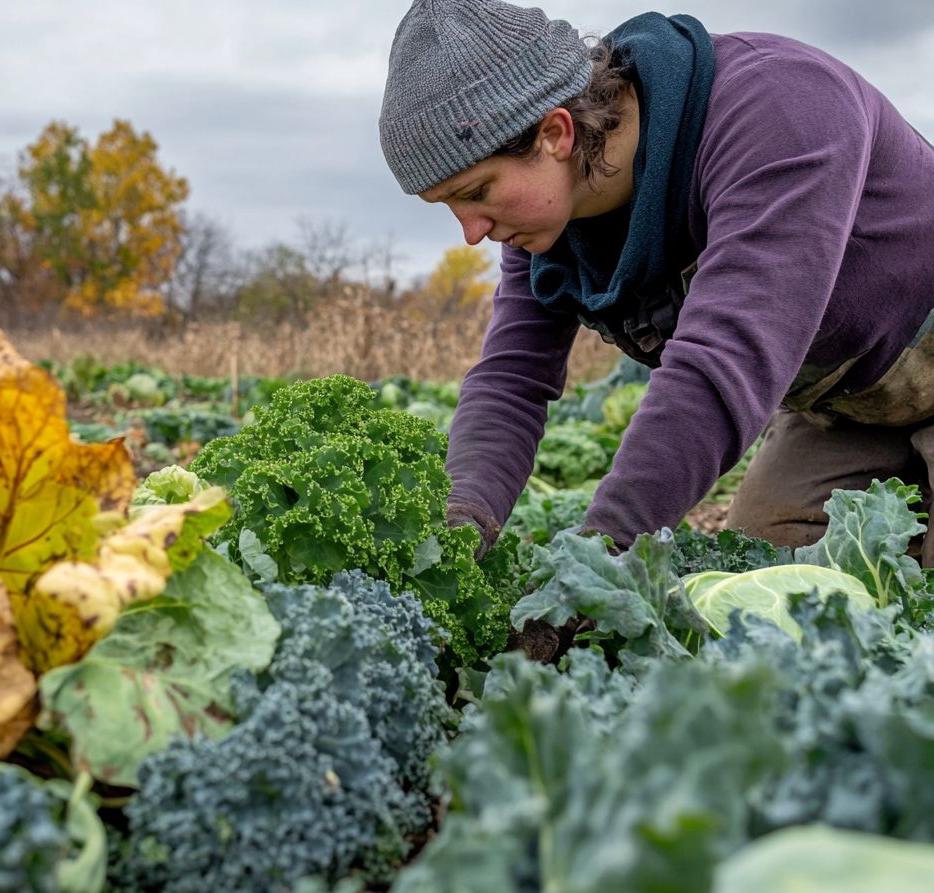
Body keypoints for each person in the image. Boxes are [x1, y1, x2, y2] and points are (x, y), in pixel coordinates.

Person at [379, 0, 934, 563]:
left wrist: (599, 561)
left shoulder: (779, 110)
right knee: (774, 557)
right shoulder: (548, 222)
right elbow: (511, 378)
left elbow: (723, 359)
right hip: (845, 410)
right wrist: (459, 525)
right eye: (447, 205)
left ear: (555, 132)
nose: (472, 232)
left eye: (476, 193)